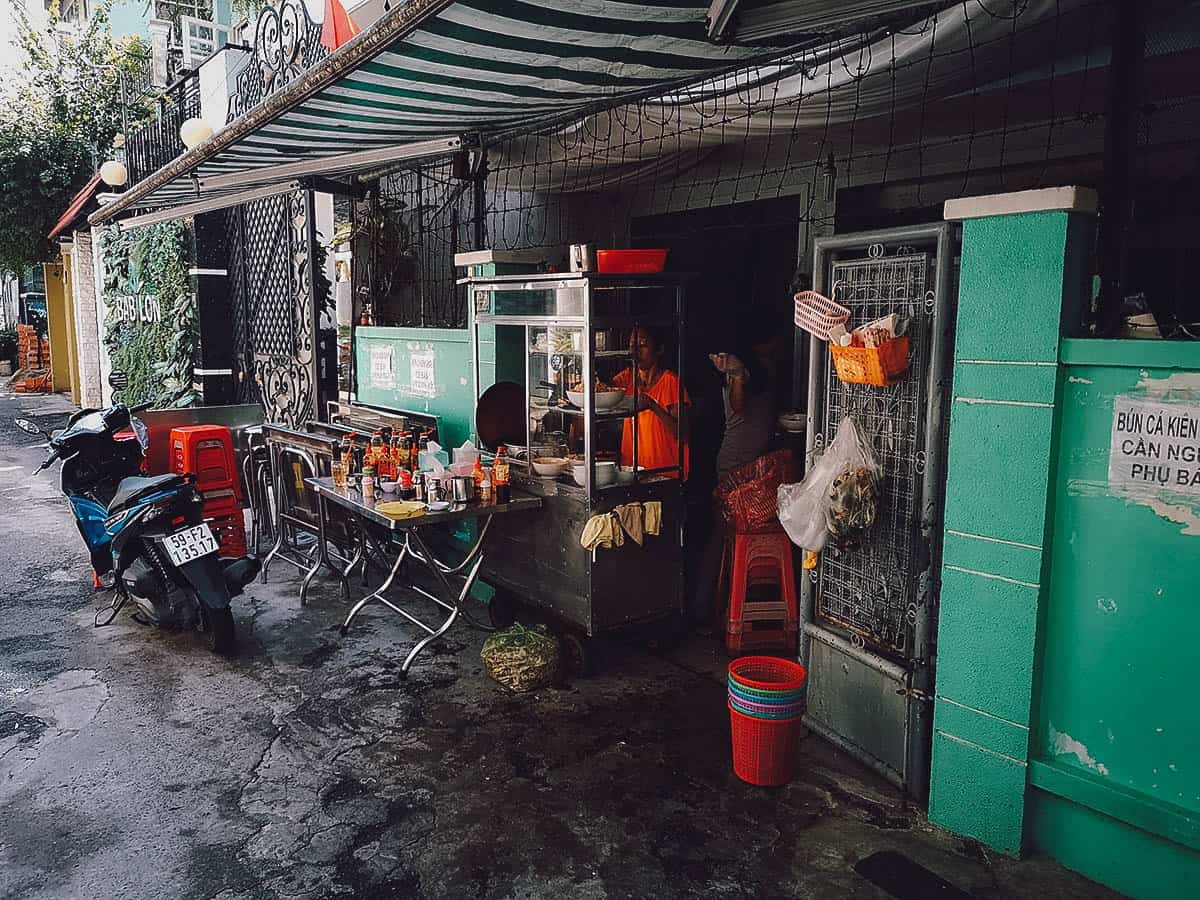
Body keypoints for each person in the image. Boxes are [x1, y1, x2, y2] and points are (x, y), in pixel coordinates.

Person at [612, 325, 689, 479]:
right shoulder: (626, 379)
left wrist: (652, 405)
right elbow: (600, 392)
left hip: (665, 474)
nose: (636, 351)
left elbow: (684, 435)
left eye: (643, 345)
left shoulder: (671, 382)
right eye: (632, 345)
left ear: (659, 350)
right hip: (631, 473)